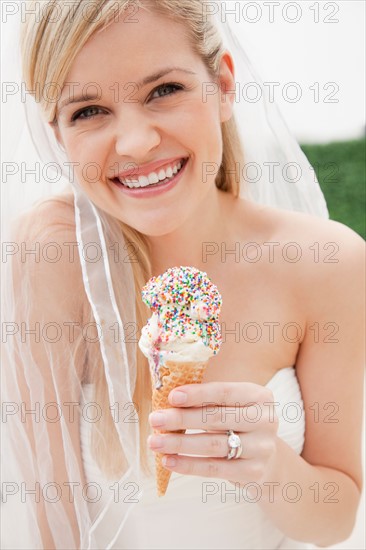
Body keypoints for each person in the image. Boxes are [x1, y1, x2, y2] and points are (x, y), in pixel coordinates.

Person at [2, 0, 364, 549]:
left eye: (163, 90)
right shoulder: (52, 262)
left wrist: (267, 462)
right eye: (88, 111)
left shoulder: (326, 261)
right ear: (58, 135)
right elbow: (56, 525)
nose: (136, 143)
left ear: (221, 83)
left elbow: (335, 519)